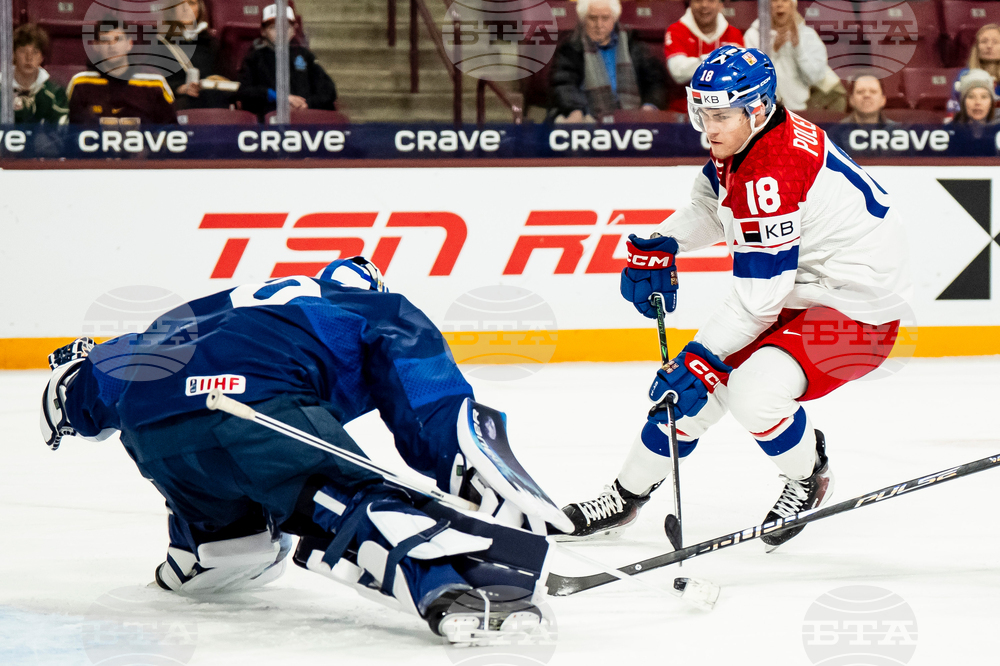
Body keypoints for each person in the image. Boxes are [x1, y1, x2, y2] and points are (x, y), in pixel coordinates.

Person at [39, 257, 557, 645]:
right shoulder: (365, 305)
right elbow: (431, 405)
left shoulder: (199, 313)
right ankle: (454, 586)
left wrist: (79, 395)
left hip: (154, 434)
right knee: (349, 501)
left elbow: (83, 391)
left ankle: (205, 549)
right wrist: (471, 476)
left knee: (236, 547)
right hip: (253, 406)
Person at [558, 46, 909, 552]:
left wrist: (700, 358)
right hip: (801, 289)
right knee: (684, 399)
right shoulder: (750, 138)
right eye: (703, 114)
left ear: (758, 108)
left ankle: (809, 475)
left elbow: (757, 299)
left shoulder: (772, 171)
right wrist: (663, 242)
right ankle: (625, 495)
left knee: (750, 392)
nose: (709, 128)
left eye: (721, 116)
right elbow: (711, 203)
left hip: (859, 309)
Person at [548, 0, 667, 122]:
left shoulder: (633, 45)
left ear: (614, 19)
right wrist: (575, 109)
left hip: (632, 119)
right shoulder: (571, 47)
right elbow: (563, 85)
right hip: (588, 118)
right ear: (583, 19)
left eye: (605, 18)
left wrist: (650, 106)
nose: (599, 24)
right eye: (593, 18)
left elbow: (655, 82)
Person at [67, 17, 177, 125]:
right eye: (105, 41)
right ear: (96, 46)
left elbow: (171, 131)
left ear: (129, 44)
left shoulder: (155, 82)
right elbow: (69, 134)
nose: (111, 46)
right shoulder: (80, 83)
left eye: (117, 39)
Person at [237, 4, 337, 121]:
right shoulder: (254, 58)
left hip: (305, 119)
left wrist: (306, 104)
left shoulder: (304, 55)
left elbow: (328, 90)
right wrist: (279, 98)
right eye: (274, 27)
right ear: (263, 31)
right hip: (269, 122)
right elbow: (244, 92)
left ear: (293, 31)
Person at [744, 0, 836, 112]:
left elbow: (816, 77)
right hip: (764, 110)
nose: (779, 5)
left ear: (793, 5)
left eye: (785, 0)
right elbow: (749, 78)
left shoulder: (808, 35)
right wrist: (772, 52)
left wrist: (798, 48)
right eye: (774, 1)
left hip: (799, 109)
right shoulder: (753, 35)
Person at [663, 0, 743, 114]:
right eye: (698, 0)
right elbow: (677, 72)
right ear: (690, 3)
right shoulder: (676, 30)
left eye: (711, 0)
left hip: (725, 114)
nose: (704, 5)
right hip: (682, 115)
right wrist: (721, 57)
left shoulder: (734, 34)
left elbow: (739, 78)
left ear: (720, 5)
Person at [159, 0, 233, 111]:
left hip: (213, 104)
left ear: (200, 9)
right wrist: (180, 88)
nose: (186, 8)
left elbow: (227, 79)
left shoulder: (212, 43)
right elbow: (153, 84)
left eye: (191, 3)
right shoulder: (160, 44)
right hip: (179, 105)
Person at [3, 24, 68, 125]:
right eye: (23, 51)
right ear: (13, 55)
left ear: (42, 58)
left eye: (35, 52)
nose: (29, 58)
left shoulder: (55, 93)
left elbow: (62, 135)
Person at [947, 24, 1000, 116]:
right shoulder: (964, 75)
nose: (989, 46)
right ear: (976, 47)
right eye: (984, 41)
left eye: (995, 42)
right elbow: (953, 108)